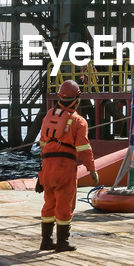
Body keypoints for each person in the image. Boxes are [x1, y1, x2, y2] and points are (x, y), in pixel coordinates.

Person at [37, 79, 98, 251]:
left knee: (49, 203)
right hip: (65, 167)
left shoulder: (49, 115)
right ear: (77, 100)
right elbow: (84, 148)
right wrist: (92, 169)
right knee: (65, 203)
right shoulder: (79, 121)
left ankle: (46, 241)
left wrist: (41, 173)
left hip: (47, 166)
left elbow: (43, 143)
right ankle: (62, 242)